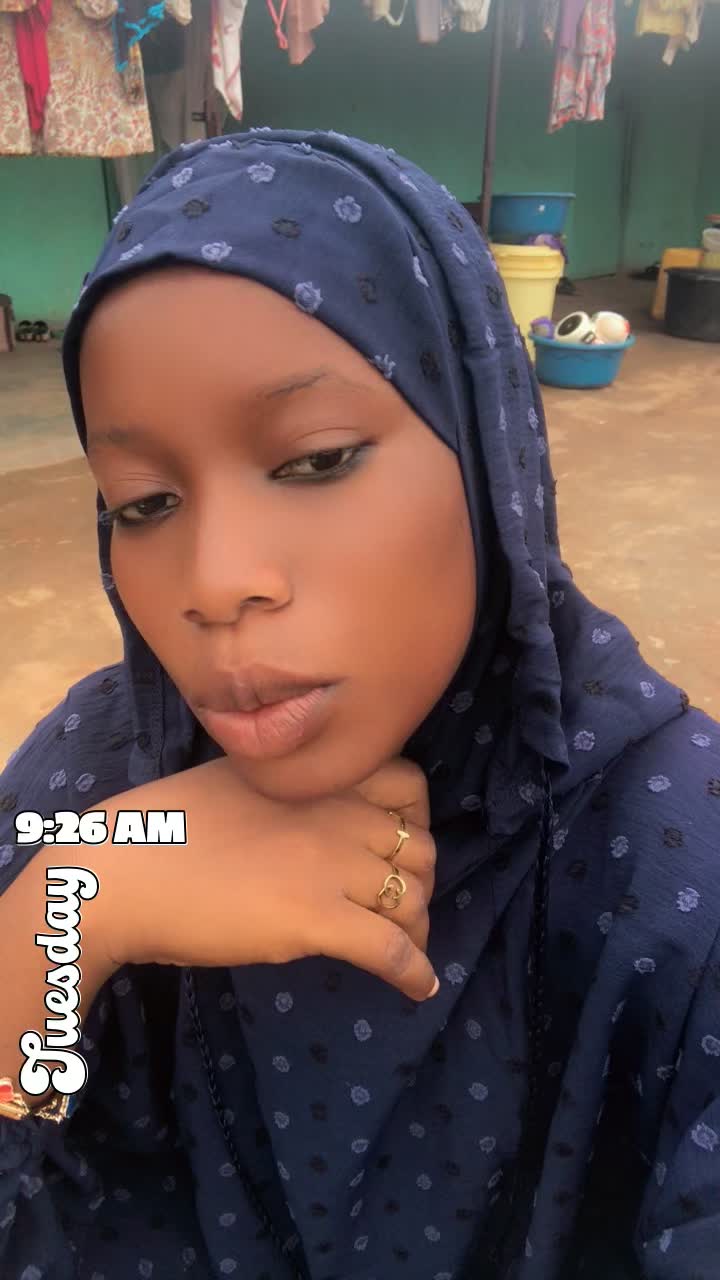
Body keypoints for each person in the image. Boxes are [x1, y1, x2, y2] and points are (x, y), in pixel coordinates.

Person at [0, 131, 718, 1280]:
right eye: (144, 502)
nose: (214, 581)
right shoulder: (88, 781)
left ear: (486, 453)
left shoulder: (677, 855)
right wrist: (67, 918)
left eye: (316, 459)